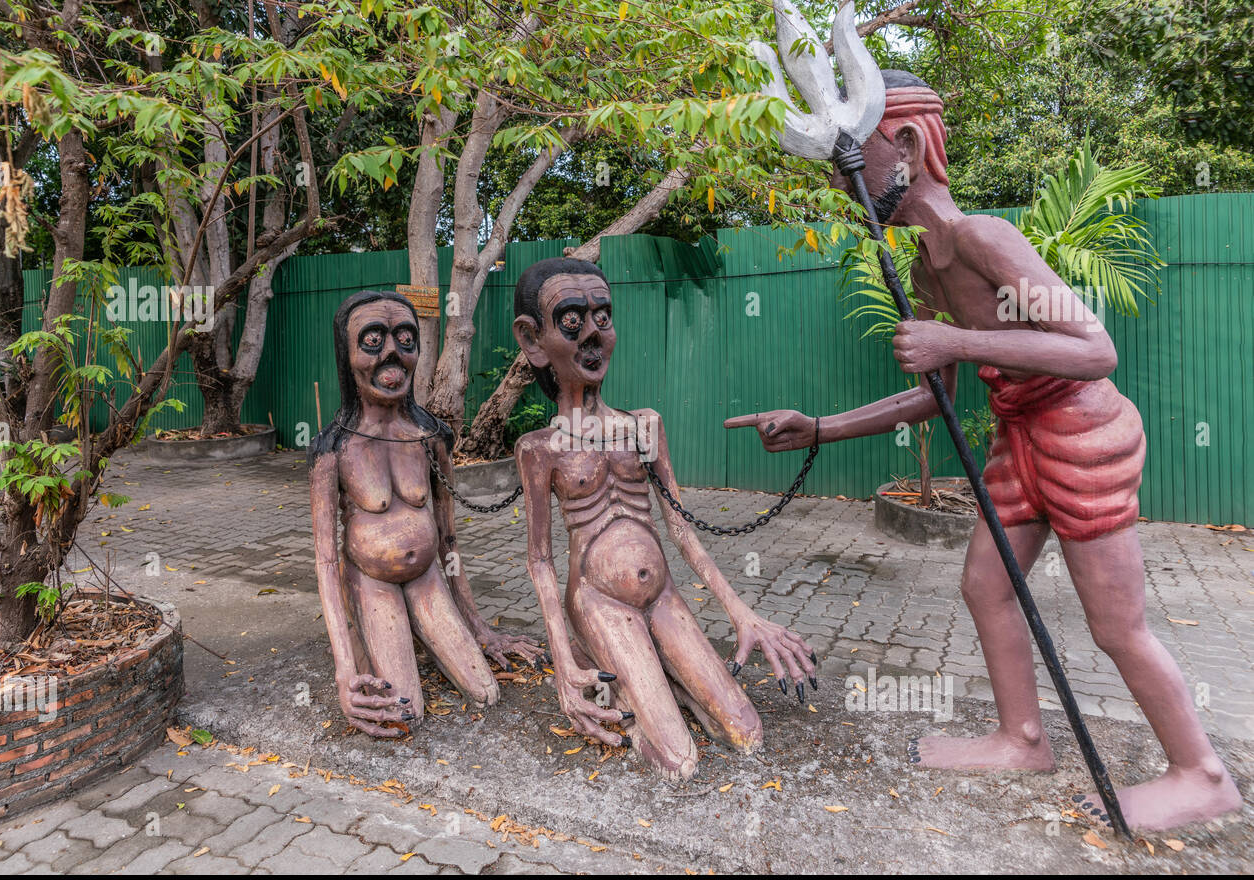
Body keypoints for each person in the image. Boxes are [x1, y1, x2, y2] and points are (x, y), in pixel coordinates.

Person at [726, 72, 1241, 831]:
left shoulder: (981, 237)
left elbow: (1094, 348)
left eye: (851, 165)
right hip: (1020, 435)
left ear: (906, 144)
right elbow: (936, 393)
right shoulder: (927, 264)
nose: (847, 189)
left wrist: (957, 338)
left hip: (1081, 433)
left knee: (1116, 625)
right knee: (986, 585)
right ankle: (1021, 737)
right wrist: (821, 427)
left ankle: (1202, 775)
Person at [513, 258, 815, 780]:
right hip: (598, 600)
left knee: (746, 731)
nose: (591, 333)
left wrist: (742, 612)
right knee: (677, 761)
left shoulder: (644, 425)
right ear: (534, 340)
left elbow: (682, 528)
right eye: (571, 319)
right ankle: (632, 676)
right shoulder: (539, 448)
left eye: (602, 317)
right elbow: (539, 559)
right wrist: (562, 659)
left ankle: (663, 674)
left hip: (663, 596)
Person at [309, 291, 540, 736]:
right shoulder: (332, 449)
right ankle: (382, 643)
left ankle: (439, 631)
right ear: (347, 352)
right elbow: (324, 562)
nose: (393, 353)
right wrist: (345, 669)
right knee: (403, 714)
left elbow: (450, 542)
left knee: (485, 691)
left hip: (429, 577)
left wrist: (480, 627)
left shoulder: (430, 436)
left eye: (405, 339)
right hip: (372, 582)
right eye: (374, 339)